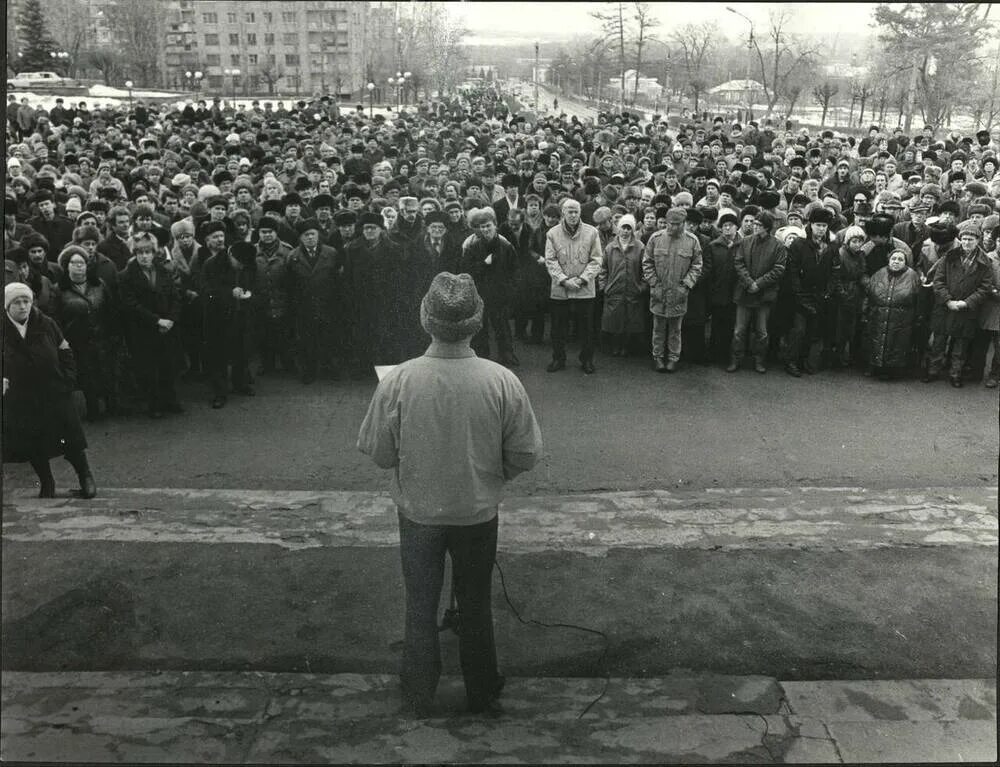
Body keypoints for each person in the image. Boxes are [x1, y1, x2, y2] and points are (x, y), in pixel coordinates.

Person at [357, 272, 543, 717]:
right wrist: (491, 477)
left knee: (420, 603)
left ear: (426, 319)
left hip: (419, 511)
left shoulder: (399, 380)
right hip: (477, 513)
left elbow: (380, 454)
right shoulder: (501, 380)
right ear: (477, 323)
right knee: (476, 600)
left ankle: (419, 688)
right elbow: (526, 453)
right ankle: (482, 689)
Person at [3, 282, 97, 499]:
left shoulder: (46, 323)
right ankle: (47, 482)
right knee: (33, 441)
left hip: (54, 390)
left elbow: (66, 351)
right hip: (22, 395)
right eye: (17, 302)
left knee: (70, 438)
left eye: (26, 301)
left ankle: (85, 477)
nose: (23, 306)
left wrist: (68, 379)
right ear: (7, 306)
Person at [118, 231, 182, 418]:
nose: (144, 256)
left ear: (154, 253)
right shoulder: (126, 275)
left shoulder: (164, 270)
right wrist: (156, 320)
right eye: (140, 253)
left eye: (148, 252)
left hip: (167, 327)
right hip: (143, 329)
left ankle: (170, 399)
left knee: (168, 365)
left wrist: (171, 319)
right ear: (134, 254)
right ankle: (154, 404)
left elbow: (176, 297)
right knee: (148, 368)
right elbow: (130, 304)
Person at [925, 221, 995, 387]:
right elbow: (938, 280)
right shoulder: (949, 257)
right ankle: (933, 370)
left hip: (966, 310)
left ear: (978, 240)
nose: (966, 242)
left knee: (960, 346)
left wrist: (966, 303)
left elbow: (985, 288)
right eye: (964, 239)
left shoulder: (985, 262)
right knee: (938, 342)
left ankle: (955, 374)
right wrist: (948, 300)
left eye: (970, 239)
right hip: (945, 307)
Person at [544, 198, 604, 373]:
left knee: (586, 329)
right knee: (558, 328)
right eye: (569, 211)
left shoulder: (592, 232)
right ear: (563, 213)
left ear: (580, 213)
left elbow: (597, 260)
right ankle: (558, 359)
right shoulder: (552, 233)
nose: (572, 215)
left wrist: (582, 279)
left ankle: (587, 360)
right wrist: (563, 280)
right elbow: (550, 260)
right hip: (560, 289)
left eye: (575, 211)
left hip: (584, 288)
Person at [641, 207, 703, 372]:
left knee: (676, 329)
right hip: (659, 291)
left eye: (678, 224)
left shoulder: (692, 241)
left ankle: (673, 358)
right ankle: (658, 357)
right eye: (671, 224)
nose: (673, 227)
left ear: (684, 223)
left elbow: (697, 265)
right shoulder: (656, 238)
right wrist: (654, 283)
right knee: (658, 328)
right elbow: (647, 262)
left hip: (679, 293)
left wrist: (686, 285)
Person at [728, 211, 787, 373]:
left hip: (764, 295)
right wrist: (749, 282)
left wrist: (759, 284)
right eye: (754, 224)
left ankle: (759, 360)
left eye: (758, 225)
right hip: (744, 293)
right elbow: (738, 263)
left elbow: (779, 269)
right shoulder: (745, 242)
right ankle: (736, 359)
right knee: (739, 331)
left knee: (762, 332)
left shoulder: (778, 245)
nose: (754, 227)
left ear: (767, 227)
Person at [865, 250, 922, 380]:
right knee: (877, 341)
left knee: (897, 343)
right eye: (894, 258)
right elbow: (869, 294)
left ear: (905, 262)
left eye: (900, 259)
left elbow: (918, 300)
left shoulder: (913, 277)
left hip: (902, 318)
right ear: (889, 260)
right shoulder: (879, 274)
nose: (896, 261)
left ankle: (893, 370)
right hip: (879, 314)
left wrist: (917, 317)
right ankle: (876, 366)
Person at [598, 214, 646, 356]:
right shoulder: (610, 247)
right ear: (618, 229)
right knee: (614, 320)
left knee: (630, 320)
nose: (625, 231)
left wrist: (642, 287)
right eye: (623, 228)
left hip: (633, 290)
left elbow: (645, 269)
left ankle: (626, 346)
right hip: (614, 290)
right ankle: (615, 345)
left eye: (629, 228)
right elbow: (603, 269)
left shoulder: (640, 247)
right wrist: (604, 286)